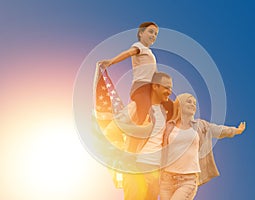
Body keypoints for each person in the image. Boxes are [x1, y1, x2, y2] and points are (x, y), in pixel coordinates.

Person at [160, 93, 246, 200]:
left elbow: (218, 130)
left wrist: (235, 130)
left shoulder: (200, 126)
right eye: (189, 101)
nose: (193, 105)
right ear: (180, 104)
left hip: (188, 180)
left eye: (195, 103)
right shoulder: (168, 126)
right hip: (166, 179)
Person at [122, 71, 173, 200]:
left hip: (155, 169)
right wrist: (138, 128)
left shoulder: (165, 112)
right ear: (155, 86)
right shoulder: (137, 107)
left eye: (171, 88)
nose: (170, 91)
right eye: (166, 87)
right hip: (135, 165)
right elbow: (117, 126)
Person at [97, 21, 159, 125]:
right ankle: (125, 130)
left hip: (150, 89)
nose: (153, 35)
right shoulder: (139, 46)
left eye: (155, 34)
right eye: (151, 32)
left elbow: (154, 73)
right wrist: (111, 61)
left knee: (151, 118)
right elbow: (128, 53)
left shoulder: (149, 52)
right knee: (141, 118)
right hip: (141, 87)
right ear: (141, 33)